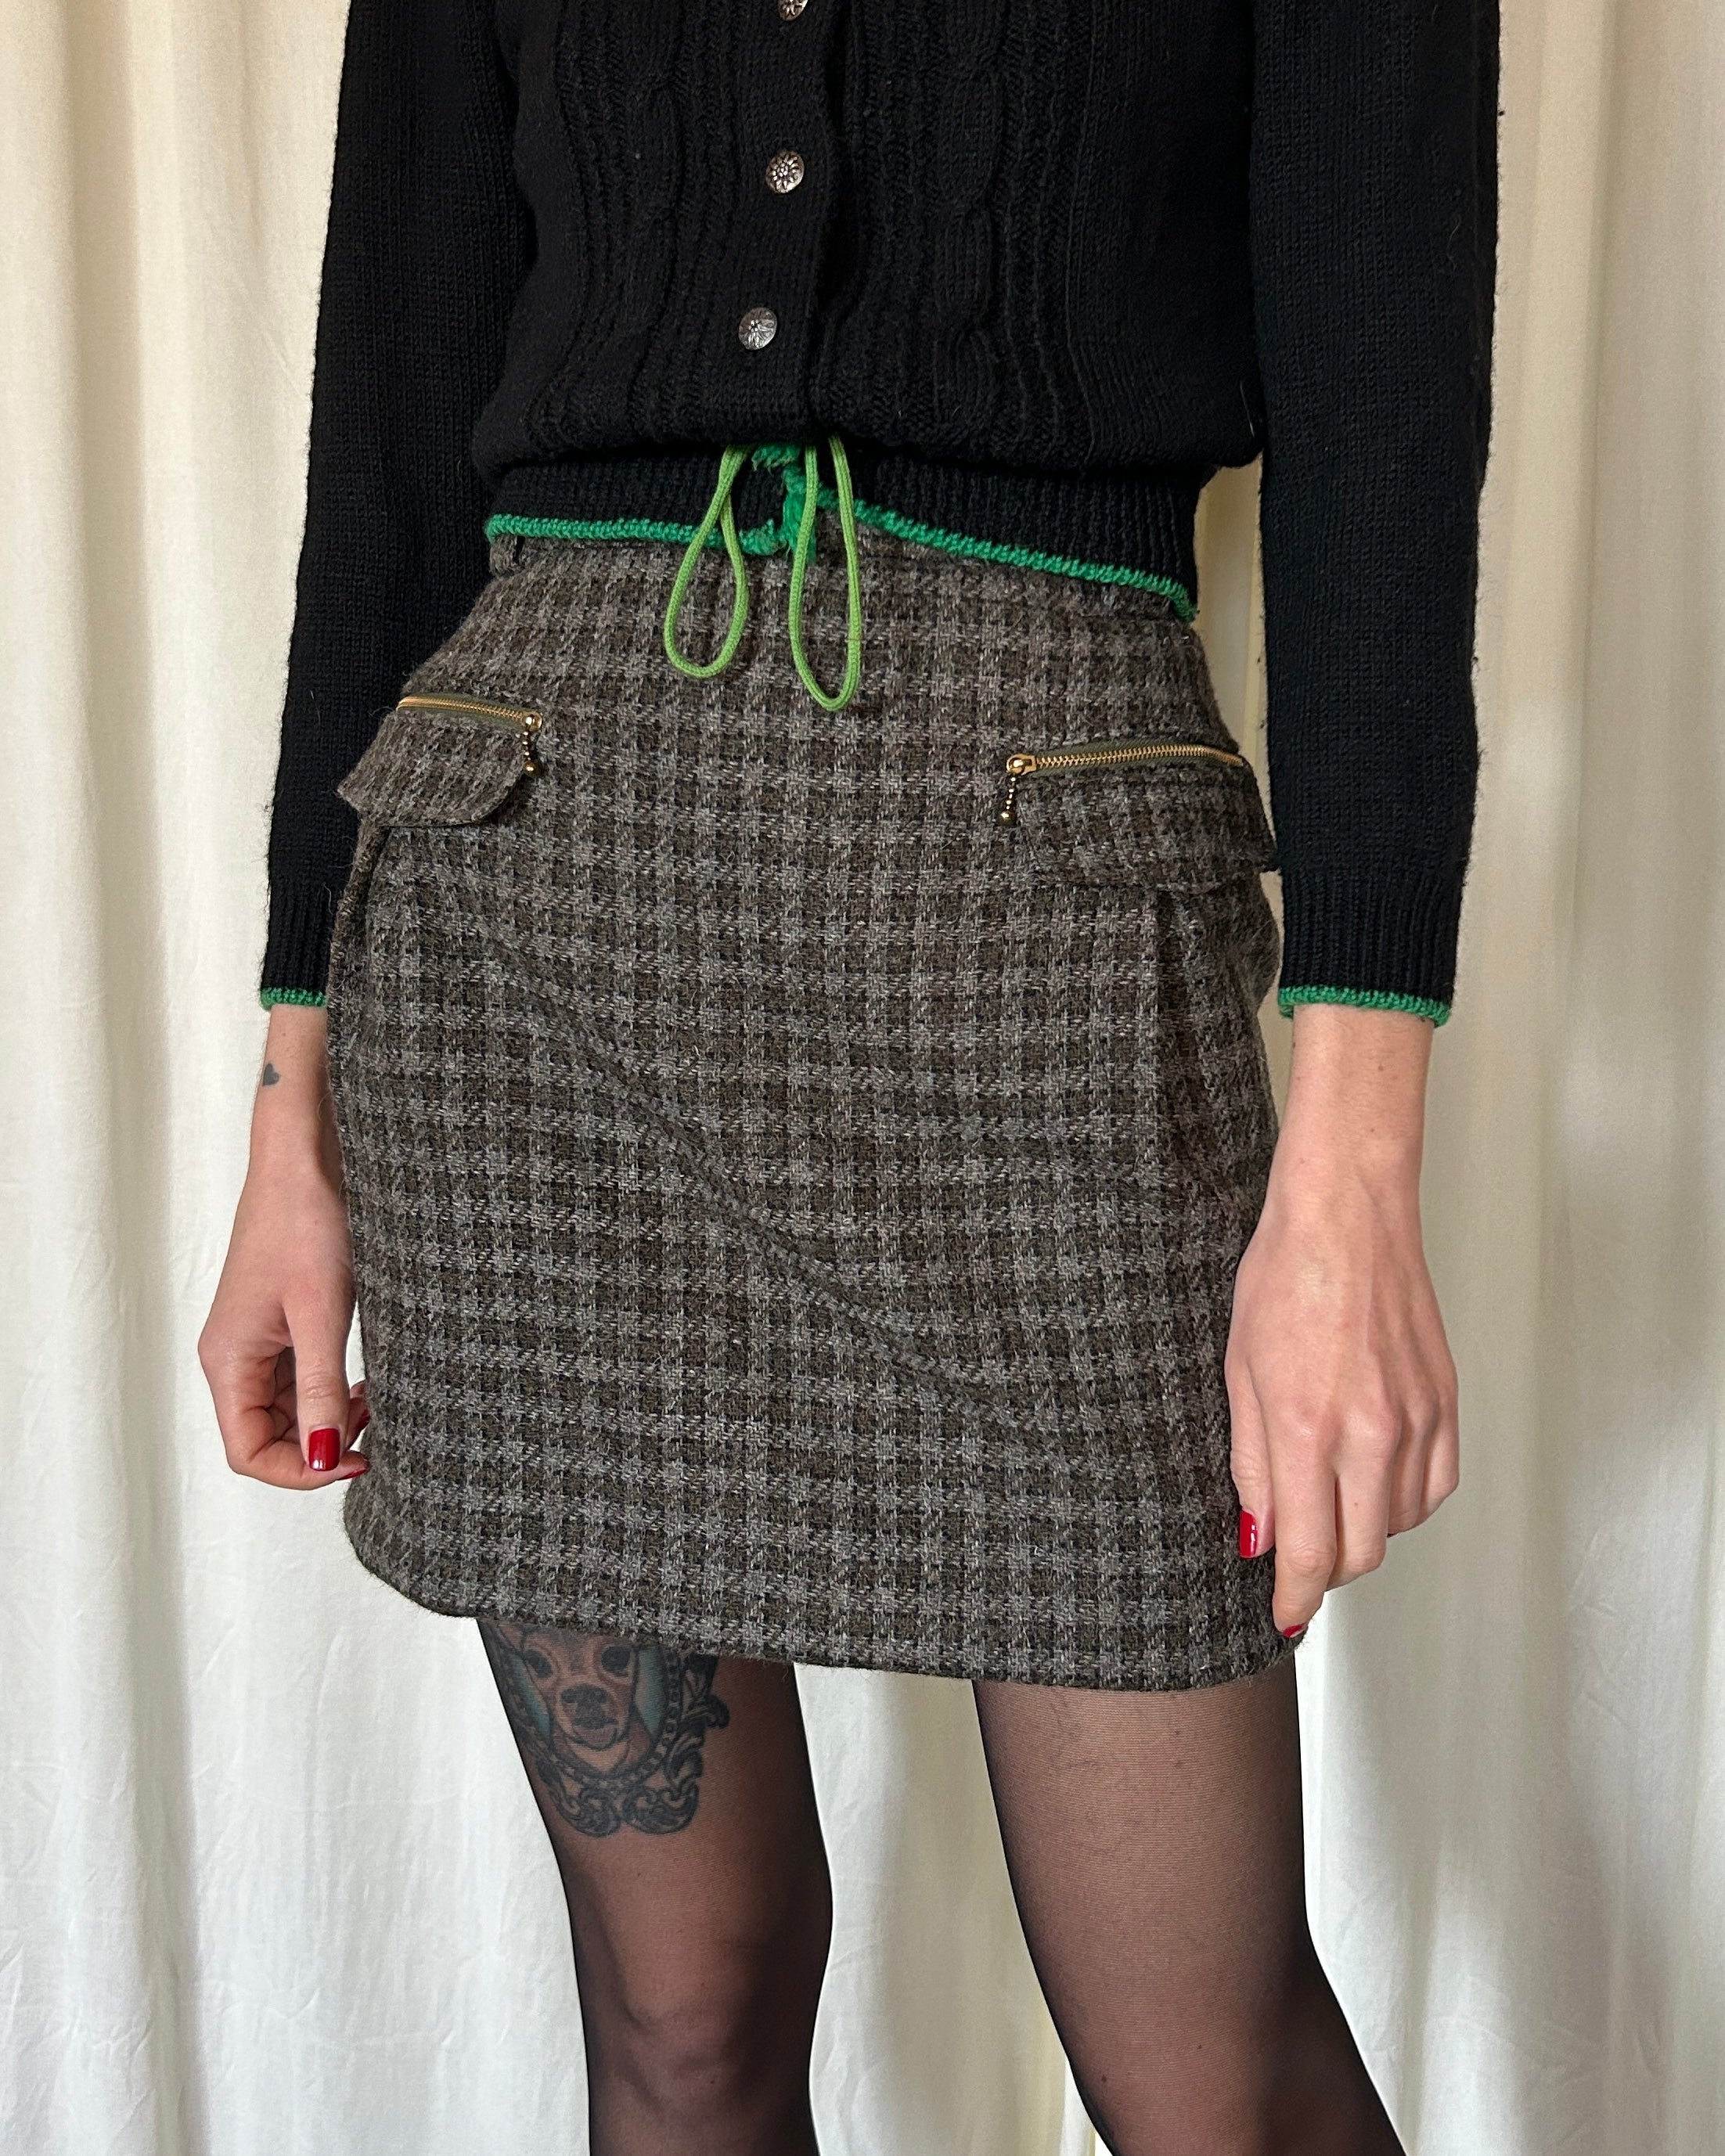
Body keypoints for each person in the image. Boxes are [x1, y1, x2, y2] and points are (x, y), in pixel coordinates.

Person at [199, 0, 1498, 2148]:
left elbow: (1387, 430)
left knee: (1212, 2076)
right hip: (536, 940)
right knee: (681, 2021)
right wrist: (293, 1112)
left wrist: (1350, 1175)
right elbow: (393, 443)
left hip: (1051, 917)